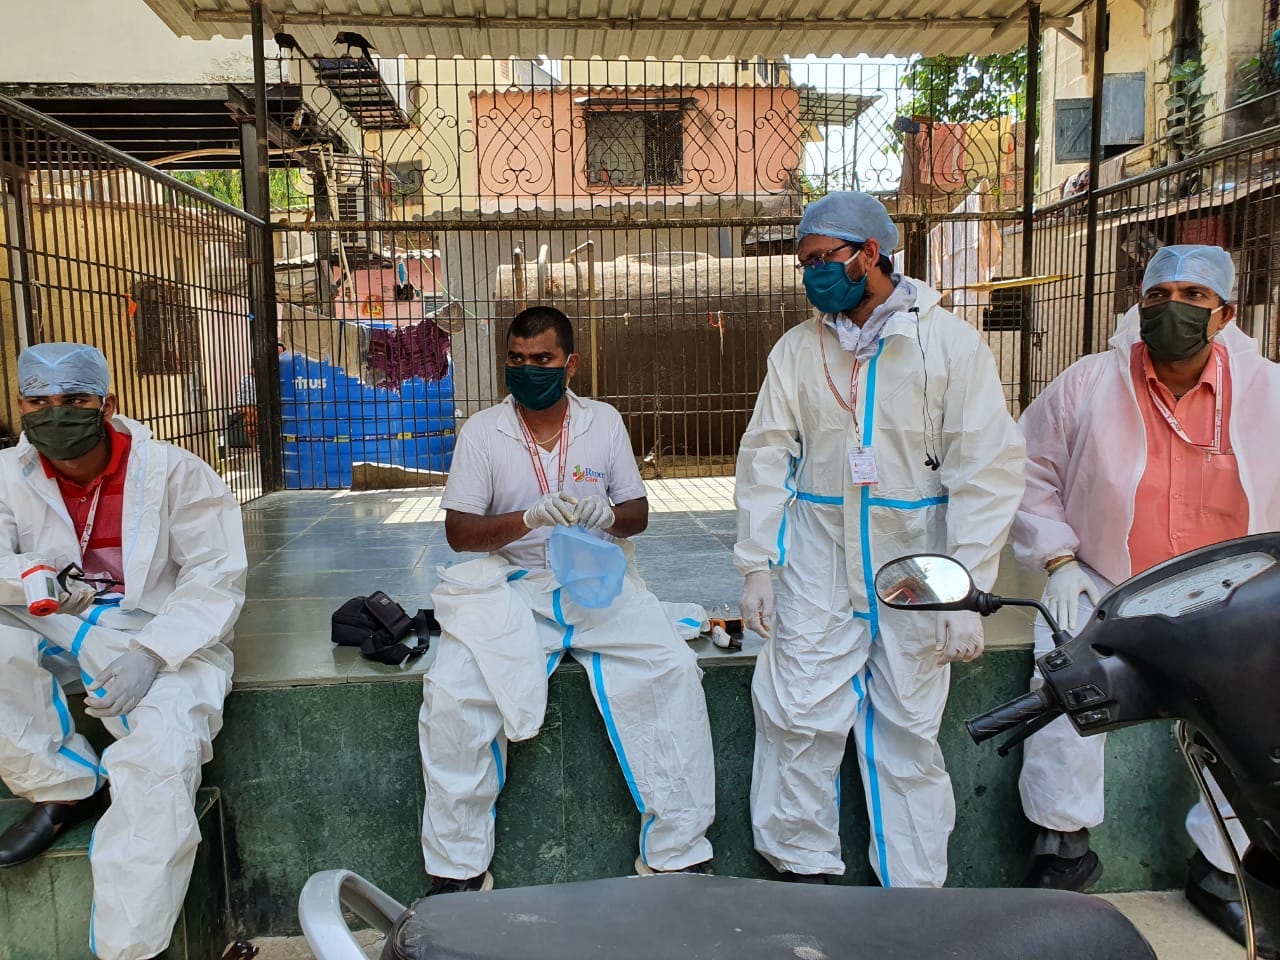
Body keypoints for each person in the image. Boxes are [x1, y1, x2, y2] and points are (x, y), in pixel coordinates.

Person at [734, 191, 1026, 887]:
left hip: (915, 557)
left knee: (909, 733)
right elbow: (766, 456)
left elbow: (987, 472)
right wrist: (757, 563)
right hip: (816, 555)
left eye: (821, 259)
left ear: (870, 254)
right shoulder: (799, 350)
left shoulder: (947, 346)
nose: (810, 275)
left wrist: (963, 590)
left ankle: (914, 898)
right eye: (802, 263)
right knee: (796, 716)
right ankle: (805, 878)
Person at [1013, 245, 1279, 956]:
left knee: (1259, 709)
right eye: (1158, 293)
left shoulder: (1270, 392)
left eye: (1194, 293)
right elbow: (1026, 467)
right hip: (1110, 583)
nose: (1172, 308)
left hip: (1235, 594)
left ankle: (1222, 869)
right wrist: (1060, 558)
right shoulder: (1089, 383)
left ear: (1223, 313)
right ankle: (1062, 846)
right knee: (1063, 671)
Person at [418, 305, 715, 893]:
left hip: (597, 586)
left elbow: (638, 514)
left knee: (672, 669)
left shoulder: (602, 423)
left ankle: (677, 851)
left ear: (570, 363)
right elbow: (459, 534)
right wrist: (525, 519)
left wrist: (610, 514)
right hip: (513, 590)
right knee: (453, 693)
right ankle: (457, 869)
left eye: (543, 359)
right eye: (518, 360)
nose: (529, 370)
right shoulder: (482, 432)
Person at [0, 343, 247, 960]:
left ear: (107, 403)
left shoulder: (175, 472)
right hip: (56, 620)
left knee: (162, 757)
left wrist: (153, 653)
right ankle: (60, 785)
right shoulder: (8, 475)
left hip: (159, 633)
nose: (55, 414)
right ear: (20, 404)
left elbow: (216, 575)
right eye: (38, 401)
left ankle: (128, 950)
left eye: (75, 400)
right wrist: (30, 574)